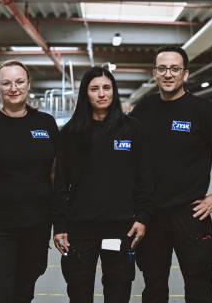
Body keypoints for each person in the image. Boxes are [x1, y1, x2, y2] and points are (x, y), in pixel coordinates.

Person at [129, 45, 212, 303]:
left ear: (185, 74)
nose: (168, 74)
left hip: (190, 214)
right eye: (162, 69)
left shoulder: (202, 110)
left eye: (174, 69)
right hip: (151, 215)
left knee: (199, 287)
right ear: (154, 73)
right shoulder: (144, 108)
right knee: (153, 286)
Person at [53, 66, 153, 303]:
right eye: (94, 88)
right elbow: (60, 183)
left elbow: (144, 178)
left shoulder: (131, 129)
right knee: (79, 290)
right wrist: (59, 225)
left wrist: (143, 217)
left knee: (118, 289)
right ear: (85, 94)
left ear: (114, 92)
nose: (101, 94)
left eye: (106, 88)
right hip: (80, 229)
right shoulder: (70, 133)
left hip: (120, 228)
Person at [0, 60, 58, 302]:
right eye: (6, 83)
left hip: (36, 225)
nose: (13, 88)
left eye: (19, 82)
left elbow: (57, 174)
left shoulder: (46, 124)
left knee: (24, 291)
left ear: (28, 84)